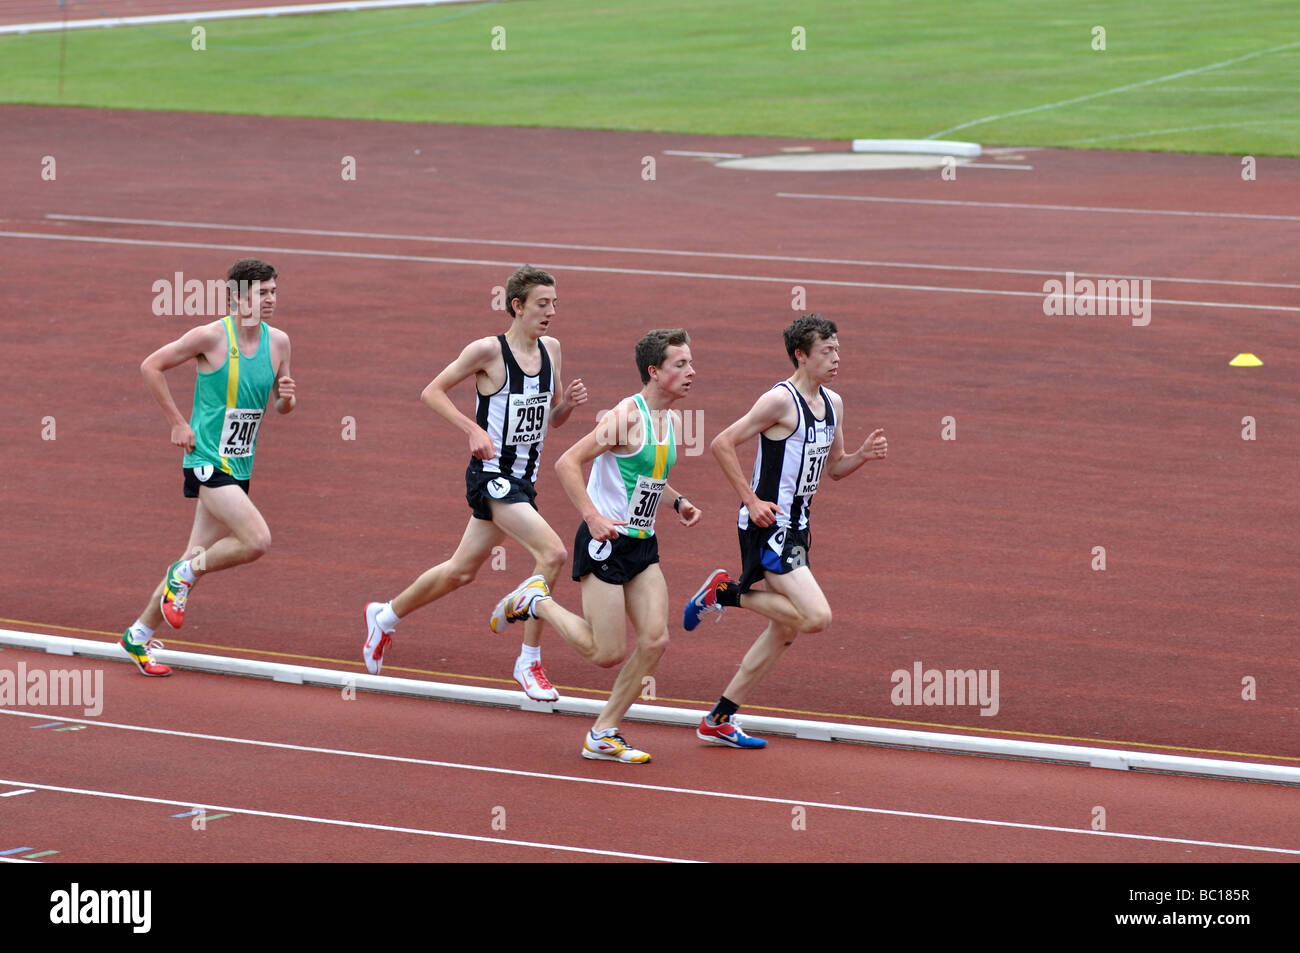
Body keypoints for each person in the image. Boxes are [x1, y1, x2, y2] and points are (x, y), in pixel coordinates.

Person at [363, 266, 587, 701]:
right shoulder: (488, 351)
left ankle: (384, 617)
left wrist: (569, 405)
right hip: (492, 477)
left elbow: (552, 420)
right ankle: (529, 662)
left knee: (461, 571)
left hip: (524, 479)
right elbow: (432, 391)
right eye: (543, 304)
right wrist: (472, 428)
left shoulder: (552, 350)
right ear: (517, 306)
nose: (552, 312)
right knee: (553, 553)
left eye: (555, 303)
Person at [492, 329, 701, 763]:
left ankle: (603, 732)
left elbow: (647, 477)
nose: (690, 372)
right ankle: (537, 601)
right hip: (604, 543)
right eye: (680, 365)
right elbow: (567, 461)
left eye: (689, 363)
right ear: (654, 371)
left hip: (642, 543)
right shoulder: (626, 416)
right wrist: (592, 514)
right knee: (607, 653)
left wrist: (676, 500)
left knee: (655, 641)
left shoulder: (672, 421)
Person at [681, 314, 887, 748]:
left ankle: (719, 718)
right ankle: (724, 594)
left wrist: (863, 456)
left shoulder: (834, 403)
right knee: (816, 617)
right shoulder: (779, 401)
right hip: (768, 525)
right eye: (826, 350)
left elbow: (834, 469)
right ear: (801, 355)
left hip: (800, 530)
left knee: (785, 628)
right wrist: (752, 501)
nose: (836, 358)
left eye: (837, 348)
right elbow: (721, 442)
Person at [122, 258, 296, 676]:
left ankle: (138, 635)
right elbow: (151, 366)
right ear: (237, 297)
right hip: (205, 460)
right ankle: (184, 574)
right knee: (256, 541)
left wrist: (287, 397)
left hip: (239, 463)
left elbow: (280, 405)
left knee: (194, 554)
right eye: (261, 292)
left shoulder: (280, 343)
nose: (270, 299)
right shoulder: (211, 337)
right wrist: (178, 422)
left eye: (274, 291)